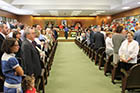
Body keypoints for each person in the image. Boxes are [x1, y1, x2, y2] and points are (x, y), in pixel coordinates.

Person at [0, 23, 9, 92]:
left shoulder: (4, 37)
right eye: (6, 28)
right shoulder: (0, 38)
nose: (7, 29)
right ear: (1, 29)